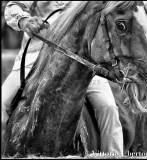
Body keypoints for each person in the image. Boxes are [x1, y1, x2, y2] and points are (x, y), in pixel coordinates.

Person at [2, 1, 123, 155]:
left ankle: (114, 155)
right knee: (1, 104)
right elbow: (13, 6)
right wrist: (24, 21)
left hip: (82, 62)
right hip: (37, 57)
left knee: (108, 108)